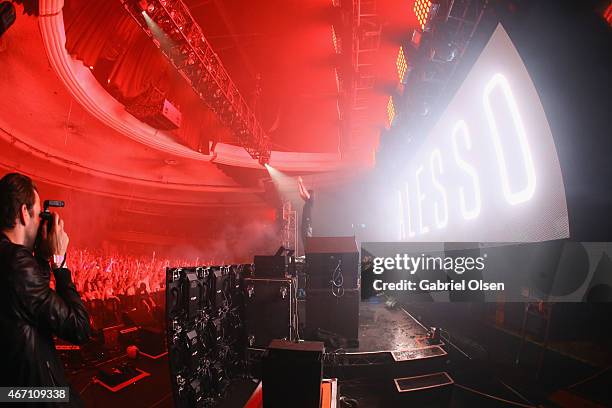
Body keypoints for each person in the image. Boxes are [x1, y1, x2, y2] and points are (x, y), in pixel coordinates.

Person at [0, 173, 90, 405]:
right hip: (33, 394)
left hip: (10, 392)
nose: (42, 221)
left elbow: (30, 303)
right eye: (39, 214)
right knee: (75, 400)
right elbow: (79, 328)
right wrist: (60, 261)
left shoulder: (9, 258)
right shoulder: (17, 263)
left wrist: (40, 257)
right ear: (23, 212)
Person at [297, 176, 314, 243]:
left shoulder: (311, 200)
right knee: (303, 237)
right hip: (304, 222)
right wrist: (298, 183)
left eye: (308, 193)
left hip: (308, 222)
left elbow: (305, 192)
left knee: (308, 238)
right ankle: (306, 251)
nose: (306, 193)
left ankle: (310, 251)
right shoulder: (307, 201)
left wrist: (301, 182)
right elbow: (301, 194)